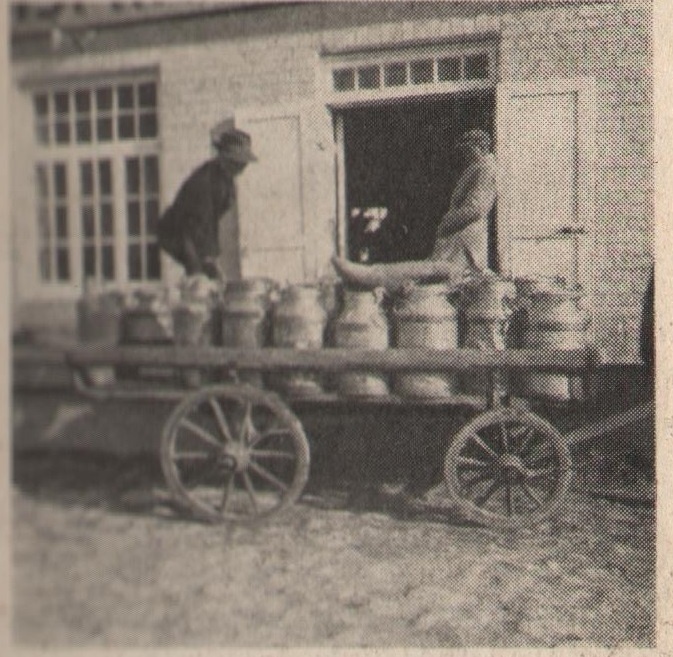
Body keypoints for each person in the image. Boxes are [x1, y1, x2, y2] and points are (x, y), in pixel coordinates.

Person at [332, 129, 497, 290]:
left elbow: (476, 208)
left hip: (464, 253)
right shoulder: (480, 168)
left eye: (468, 151)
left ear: (479, 148)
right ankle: (372, 274)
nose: (466, 157)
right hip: (457, 249)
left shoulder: (485, 168)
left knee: (423, 271)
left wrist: (445, 225)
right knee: (421, 272)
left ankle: (372, 275)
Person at [157, 120, 257, 279]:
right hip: (178, 234)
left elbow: (211, 222)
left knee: (210, 277)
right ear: (224, 158)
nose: (242, 168)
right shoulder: (204, 182)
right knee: (201, 284)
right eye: (238, 163)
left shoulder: (225, 179)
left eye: (243, 164)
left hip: (195, 233)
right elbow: (194, 226)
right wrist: (203, 263)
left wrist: (211, 258)